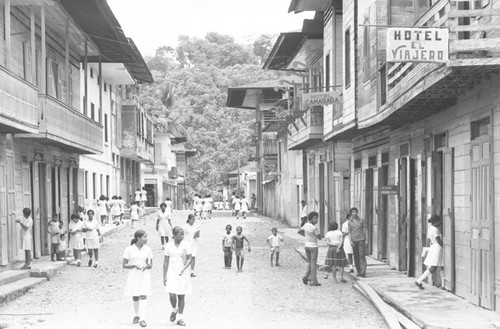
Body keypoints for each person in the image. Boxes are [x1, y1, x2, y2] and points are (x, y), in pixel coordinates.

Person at [163, 226, 193, 327]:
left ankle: (180, 317)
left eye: (183, 234)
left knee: (181, 294)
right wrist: (164, 275)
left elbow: (190, 258)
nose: (182, 236)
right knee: (171, 294)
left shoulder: (186, 244)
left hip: (182, 272)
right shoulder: (168, 246)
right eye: (180, 234)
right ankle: (174, 309)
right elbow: (165, 261)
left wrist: (184, 269)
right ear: (174, 235)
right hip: (172, 271)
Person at [122, 230, 153, 328]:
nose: (146, 239)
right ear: (138, 238)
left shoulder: (148, 249)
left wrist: (145, 266)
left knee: (143, 295)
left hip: (144, 274)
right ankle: (136, 314)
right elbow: (124, 265)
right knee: (135, 295)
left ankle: (142, 318)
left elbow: (150, 264)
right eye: (144, 237)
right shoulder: (129, 249)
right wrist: (134, 265)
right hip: (134, 274)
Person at [415, 215, 443, 290]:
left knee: (440, 265)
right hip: (437, 247)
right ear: (436, 222)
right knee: (434, 267)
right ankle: (419, 281)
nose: (440, 222)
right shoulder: (435, 229)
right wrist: (444, 246)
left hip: (434, 247)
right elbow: (438, 239)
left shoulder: (430, 228)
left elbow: (428, 239)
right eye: (439, 221)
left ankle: (443, 284)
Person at [302, 211, 321, 286]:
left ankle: (306, 276)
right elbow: (319, 237)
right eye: (315, 218)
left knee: (309, 262)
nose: (316, 220)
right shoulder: (314, 228)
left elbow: (300, 231)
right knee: (313, 264)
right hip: (313, 247)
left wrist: (307, 236)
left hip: (306, 246)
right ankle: (313, 281)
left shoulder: (306, 225)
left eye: (317, 218)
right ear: (310, 219)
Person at [348, 207, 368, 277]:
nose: (354, 213)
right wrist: (350, 241)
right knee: (356, 256)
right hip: (354, 240)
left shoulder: (361, 220)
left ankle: (363, 271)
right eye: (353, 212)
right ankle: (358, 271)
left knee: (362, 255)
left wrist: (366, 239)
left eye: (355, 212)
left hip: (361, 239)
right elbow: (349, 232)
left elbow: (365, 229)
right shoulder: (350, 222)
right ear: (351, 213)